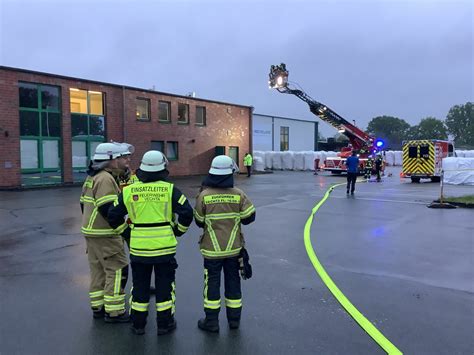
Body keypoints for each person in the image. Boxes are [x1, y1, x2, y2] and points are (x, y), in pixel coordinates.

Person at [108, 150, 193, 336]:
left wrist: (127, 233)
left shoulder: (129, 190)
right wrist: (178, 231)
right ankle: (165, 324)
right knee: (164, 288)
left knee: (139, 287)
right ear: (163, 168)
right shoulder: (170, 190)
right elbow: (187, 212)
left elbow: (113, 215)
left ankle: (138, 325)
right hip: (165, 249)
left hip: (139, 250)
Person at [194, 155, 256, 333]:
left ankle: (211, 322)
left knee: (211, 284)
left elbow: (199, 221)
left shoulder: (204, 195)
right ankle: (234, 321)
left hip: (211, 251)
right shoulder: (238, 194)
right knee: (233, 283)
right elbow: (249, 218)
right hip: (234, 250)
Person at [79, 142, 133, 322]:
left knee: (98, 271)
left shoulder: (93, 176)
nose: (128, 160)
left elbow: (82, 204)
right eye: (124, 157)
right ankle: (114, 311)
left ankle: (98, 307)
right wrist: (124, 231)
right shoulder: (105, 179)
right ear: (111, 159)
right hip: (105, 233)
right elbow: (109, 210)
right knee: (117, 268)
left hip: (92, 232)